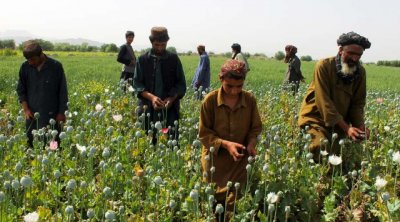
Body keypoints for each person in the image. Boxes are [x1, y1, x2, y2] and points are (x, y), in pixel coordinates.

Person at [298, 31, 371, 169]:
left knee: (337, 156)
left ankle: (331, 183)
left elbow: (357, 104)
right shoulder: (324, 66)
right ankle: (314, 180)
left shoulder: (360, 72)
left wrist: (360, 126)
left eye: (359, 55)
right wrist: (347, 128)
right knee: (321, 146)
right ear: (340, 50)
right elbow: (323, 102)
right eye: (351, 53)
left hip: (338, 123)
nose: (354, 59)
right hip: (315, 119)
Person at [199, 59, 262, 219]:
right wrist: (226, 145)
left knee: (235, 205)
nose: (234, 91)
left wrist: (251, 143)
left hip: (239, 160)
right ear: (221, 79)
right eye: (229, 86)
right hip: (214, 160)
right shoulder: (210, 101)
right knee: (212, 203)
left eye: (239, 87)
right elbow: (204, 134)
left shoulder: (249, 100)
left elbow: (255, 128)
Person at [133, 27, 186, 142]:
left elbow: (181, 84)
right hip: (147, 110)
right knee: (148, 141)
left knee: (170, 142)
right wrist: (152, 98)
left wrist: (171, 99)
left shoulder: (174, 59)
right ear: (151, 42)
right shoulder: (142, 60)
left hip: (169, 111)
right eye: (157, 45)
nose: (160, 48)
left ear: (167, 42)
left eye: (163, 44)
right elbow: (137, 84)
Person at [16, 40, 68, 147]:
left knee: (53, 144)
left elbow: (63, 92)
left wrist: (61, 113)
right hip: (32, 116)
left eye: (33, 59)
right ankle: (34, 162)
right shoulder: (25, 67)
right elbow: (21, 90)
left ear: (41, 54)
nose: (30, 62)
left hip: (53, 115)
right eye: (28, 60)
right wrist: (26, 109)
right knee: (33, 144)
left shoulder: (56, 66)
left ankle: (54, 160)